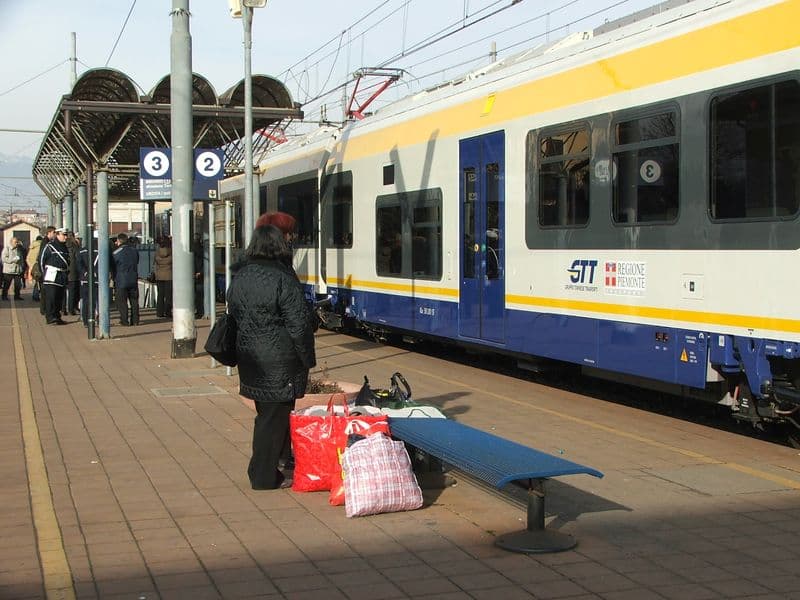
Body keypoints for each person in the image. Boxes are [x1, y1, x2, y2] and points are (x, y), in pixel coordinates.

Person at [226, 224, 317, 490]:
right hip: (279, 357)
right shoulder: (283, 277)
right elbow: (298, 324)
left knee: (266, 414)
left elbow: (235, 311)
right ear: (279, 246)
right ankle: (263, 476)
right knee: (273, 419)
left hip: (250, 356)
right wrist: (307, 358)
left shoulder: (241, 276)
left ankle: (275, 465)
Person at [39, 227, 70, 324]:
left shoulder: (65, 247)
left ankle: (57, 316)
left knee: (59, 297)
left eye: (66, 235)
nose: (65, 237)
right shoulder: (50, 246)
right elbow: (41, 260)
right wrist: (44, 273)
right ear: (57, 235)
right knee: (51, 296)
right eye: (63, 235)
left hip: (61, 275)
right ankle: (50, 317)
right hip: (51, 274)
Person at [111, 232, 140, 326]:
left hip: (121, 279)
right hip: (133, 278)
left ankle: (124, 320)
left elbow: (112, 266)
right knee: (134, 301)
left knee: (122, 302)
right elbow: (137, 261)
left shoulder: (116, 253)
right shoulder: (134, 251)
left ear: (119, 241)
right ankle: (135, 320)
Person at [78, 237, 99, 327]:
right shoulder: (100, 252)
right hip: (96, 279)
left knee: (85, 300)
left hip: (85, 279)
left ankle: (85, 320)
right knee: (95, 300)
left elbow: (78, 264)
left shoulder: (81, 251)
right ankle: (94, 318)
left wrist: (85, 272)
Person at [36, 226, 56, 314]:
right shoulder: (46, 243)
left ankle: (44, 309)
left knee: (45, 291)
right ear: (50, 233)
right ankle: (44, 309)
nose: (55, 234)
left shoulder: (46, 241)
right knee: (45, 291)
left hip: (45, 270)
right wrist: (43, 271)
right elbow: (42, 257)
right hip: (45, 270)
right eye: (54, 233)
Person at [153, 236, 173, 318]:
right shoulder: (171, 251)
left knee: (160, 295)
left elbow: (154, 263)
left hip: (159, 276)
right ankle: (168, 312)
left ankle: (159, 312)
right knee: (168, 295)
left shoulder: (157, 252)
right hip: (169, 275)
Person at [66, 232, 82, 315]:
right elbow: (78, 257)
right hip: (74, 272)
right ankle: (72, 308)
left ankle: (68, 308)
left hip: (68, 271)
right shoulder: (74, 246)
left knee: (70, 291)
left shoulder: (64, 245)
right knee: (75, 291)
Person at [27, 235, 43, 301]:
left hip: (32, 266)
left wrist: (30, 266)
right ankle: (36, 295)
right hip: (38, 265)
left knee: (37, 281)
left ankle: (35, 295)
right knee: (40, 281)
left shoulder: (32, 247)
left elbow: (28, 258)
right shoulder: (40, 246)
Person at [192, 234, 205, 318]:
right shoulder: (202, 250)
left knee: (196, 295)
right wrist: (200, 272)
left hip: (193, 274)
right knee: (199, 295)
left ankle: (197, 311)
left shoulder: (191, 251)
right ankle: (200, 311)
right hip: (199, 274)